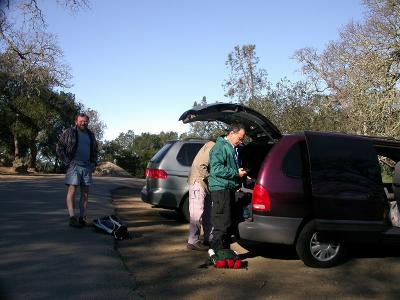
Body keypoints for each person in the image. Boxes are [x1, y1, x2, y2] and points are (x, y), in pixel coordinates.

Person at [208, 123, 247, 252]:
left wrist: (240, 174)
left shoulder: (229, 147)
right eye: (240, 138)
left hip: (227, 188)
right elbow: (216, 169)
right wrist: (235, 173)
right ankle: (218, 253)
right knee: (221, 223)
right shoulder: (220, 147)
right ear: (231, 134)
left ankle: (224, 252)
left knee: (227, 222)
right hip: (220, 189)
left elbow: (227, 167)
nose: (241, 141)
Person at [56, 113, 98, 228]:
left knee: (85, 193)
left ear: (88, 122)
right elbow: (59, 147)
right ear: (76, 122)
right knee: (72, 190)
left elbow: (95, 150)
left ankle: (82, 217)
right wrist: (67, 162)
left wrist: (94, 163)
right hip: (73, 165)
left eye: (85, 121)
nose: (83, 123)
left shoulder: (91, 135)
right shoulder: (69, 132)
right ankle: (72, 217)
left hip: (87, 166)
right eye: (81, 121)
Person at [187, 140, 215, 251]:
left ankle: (209, 238)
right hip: (198, 182)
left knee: (208, 212)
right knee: (196, 213)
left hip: (205, 184)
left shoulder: (212, 146)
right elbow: (200, 165)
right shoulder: (212, 146)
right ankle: (193, 241)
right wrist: (211, 178)